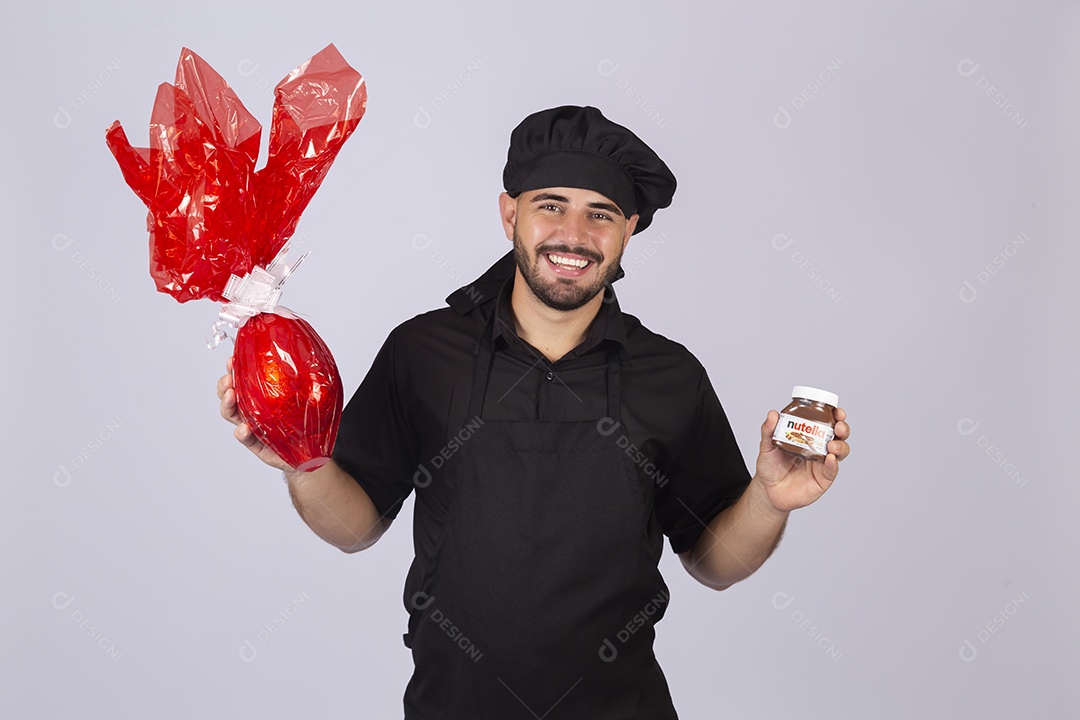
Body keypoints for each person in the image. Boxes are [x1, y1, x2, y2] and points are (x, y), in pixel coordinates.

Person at [217, 105, 851, 719]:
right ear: (508, 214)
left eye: (599, 214)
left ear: (628, 229)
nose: (573, 236)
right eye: (551, 205)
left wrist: (768, 499)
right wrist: (301, 464)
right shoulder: (423, 351)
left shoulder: (670, 376)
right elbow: (354, 528)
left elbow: (715, 564)